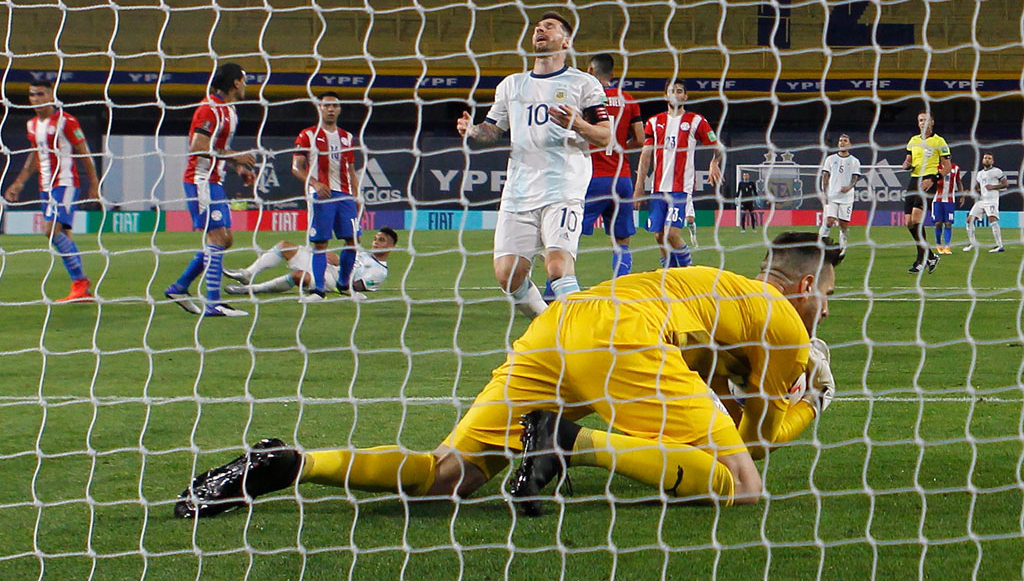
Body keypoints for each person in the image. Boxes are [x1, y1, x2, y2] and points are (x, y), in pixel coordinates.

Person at [173, 232, 839, 519]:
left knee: (447, 478)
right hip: (622, 339)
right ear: (804, 284)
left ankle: (297, 462)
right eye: (827, 298)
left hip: (564, 323)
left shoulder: (723, 291)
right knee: (744, 492)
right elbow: (755, 442)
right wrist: (809, 404)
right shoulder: (784, 320)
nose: (825, 312)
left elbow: (719, 403)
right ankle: (568, 442)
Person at [456, 11, 611, 318]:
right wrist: (472, 131)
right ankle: (547, 326)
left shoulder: (584, 83)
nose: (540, 30)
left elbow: (605, 137)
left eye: (549, 27)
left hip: (564, 187)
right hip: (519, 190)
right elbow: (493, 130)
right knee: (507, 275)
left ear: (565, 41)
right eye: (537, 28)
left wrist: (577, 123)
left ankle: (580, 334)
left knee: (556, 266)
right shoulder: (512, 85)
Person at [165, 63, 256, 317]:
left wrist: (239, 168)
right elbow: (198, 147)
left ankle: (179, 287)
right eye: (245, 80)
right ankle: (213, 303)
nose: (246, 85)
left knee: (224, 239)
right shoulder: (209, 109)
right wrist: (238, 157)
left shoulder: (230, 111)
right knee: (217, 239)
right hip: (200, 180)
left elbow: (220, 149)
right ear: (236, 82)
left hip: (214, 180)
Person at [3, 80, 100, 302]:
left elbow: (84, 152)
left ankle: (81, 282)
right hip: (45, 187)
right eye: (31, 95)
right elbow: (34, 156)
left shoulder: (66, 121)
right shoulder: (32, 125)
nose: (35, 99)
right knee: (63, 235)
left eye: (39, 94)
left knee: (50, 230)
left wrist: (94, 183)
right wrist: (19, 182)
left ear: (50, 96)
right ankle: (81, 290)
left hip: (65, 183)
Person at [634, 78, 722, 268]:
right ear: (666, 95)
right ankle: (670, 274)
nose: (676, 94)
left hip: (680, 189)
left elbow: (718, 146)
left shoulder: (696, 121)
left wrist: (714, 162)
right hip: (658, 188)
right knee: (659, 235)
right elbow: (645, 156)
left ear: (686, 96)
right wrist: (639, 186)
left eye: (680, 91)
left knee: (671, 234)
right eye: (672, 91)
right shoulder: (654, 122)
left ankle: (687, 269)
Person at [292, 92, 361, 300]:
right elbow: (296, 167)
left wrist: (356, 196)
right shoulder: (307, 135)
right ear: (319, 108)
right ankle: (319, 290)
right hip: (321, 195)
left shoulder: (347, 137)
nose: (331, 109)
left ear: (339, 109)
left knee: (353, 240)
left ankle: (343, 285)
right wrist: (315, 183)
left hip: (345, 195)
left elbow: (350, 169)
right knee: (321, 243)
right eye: (327, 105)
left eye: (335, 106)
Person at [581, 53, 644, 277]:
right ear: (613, 73)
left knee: (568, 235)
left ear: (590, 71)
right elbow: (640, 139)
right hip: (622, 179)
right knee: (621, 240)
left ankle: (553, 294)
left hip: (593, 177)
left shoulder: (586, 99)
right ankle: (621, 288)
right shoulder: (629, 100)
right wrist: (620, 147)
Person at [223, 228, 397, 300]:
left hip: (332, 281)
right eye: (375, 239)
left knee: (299, 277)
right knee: (285, 246)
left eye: (381, 241)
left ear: (391, 246)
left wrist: (338, 265)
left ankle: (251, 289)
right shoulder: (363, 254)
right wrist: (333, 258)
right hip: (327, 267)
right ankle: (247, 274)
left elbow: (352, 288)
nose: (375, 243)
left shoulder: (379, 271)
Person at [901, 112, 950, 274]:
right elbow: (908, 160)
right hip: (914, 180)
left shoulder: (939, 141)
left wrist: (933, 179)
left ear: (932, 122)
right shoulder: (913, 141)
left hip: (928, 181)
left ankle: (921, 259)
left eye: (926, 120)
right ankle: (930, 256)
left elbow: (947, 167)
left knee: (916, 219)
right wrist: (906, 164)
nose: (923, 123)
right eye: (920, 120)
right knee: (909, 223)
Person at [818, 134, 862, 254]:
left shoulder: (854, 161)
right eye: (840, 140)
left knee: (843, 225)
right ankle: (820, 244)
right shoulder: (830, 159)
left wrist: (849, 186)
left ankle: (842, 248)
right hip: (832, 196)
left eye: (845, 141)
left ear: (850, 144)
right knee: (829, 221)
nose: (842, 142)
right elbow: (825, 176)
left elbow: (855, 177)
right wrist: (824, 193)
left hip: (847, 198)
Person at [963, 153, 1008, 253]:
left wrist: (994, 187)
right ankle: (973, 243)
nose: (987, 160)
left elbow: (1005, 184)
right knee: (969, 220)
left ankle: (999, 245)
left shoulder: (997, 171)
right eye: (985, 158)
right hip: (982, 201)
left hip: (992, 200)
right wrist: (973, 190)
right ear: (982, 160)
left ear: (992, 161)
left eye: (989, 158)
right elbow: (978, 187)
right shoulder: (979, 174)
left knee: (992, 220)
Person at [931, 160, 963, 254]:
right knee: (938, 223)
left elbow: (958, 182)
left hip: (949, 201)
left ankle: (947, 246)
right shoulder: (935, 167)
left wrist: (962, 195)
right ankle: (938, 244)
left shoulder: (955, 168)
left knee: (948, 223)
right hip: (937, 200)